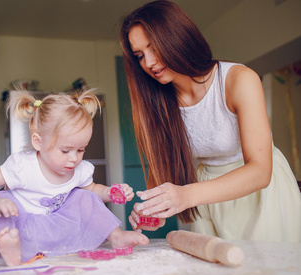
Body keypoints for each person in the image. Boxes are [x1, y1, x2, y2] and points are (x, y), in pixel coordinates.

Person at [119, 0, 301, 242]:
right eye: (140, 56)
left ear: (178, 38)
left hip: (260, 196)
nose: (149, 63)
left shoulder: (238, 80)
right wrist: (153, 210)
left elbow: (260, 171)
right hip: (208, 202)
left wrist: (186, 196)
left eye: (154, 48)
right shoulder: (160, 102)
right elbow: (160, 172)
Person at [0, 89, 149, 266]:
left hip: (55, 229)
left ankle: (116, 236)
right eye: (65, 150)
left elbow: (94, 189)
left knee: (85, 196)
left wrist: (110, 192)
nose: (74, 158)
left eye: (81, 150)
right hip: (19, 226)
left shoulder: (78, 169)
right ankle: (10, 249)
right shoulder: (23, 166)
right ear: (38, 142)